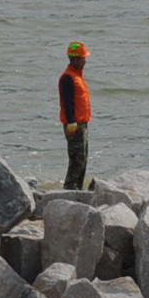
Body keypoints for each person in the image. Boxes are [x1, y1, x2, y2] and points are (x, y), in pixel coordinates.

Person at [58, 41, 92, 188]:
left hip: (82, 124)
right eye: (83, 58)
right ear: (76, 59)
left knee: (83, 159)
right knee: (76, 160)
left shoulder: (78, 77)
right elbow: (67, 102)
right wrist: (71, 122)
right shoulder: (68, 78)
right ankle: (69, 187)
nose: (85, 61)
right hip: (74, 125)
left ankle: (78, 187)